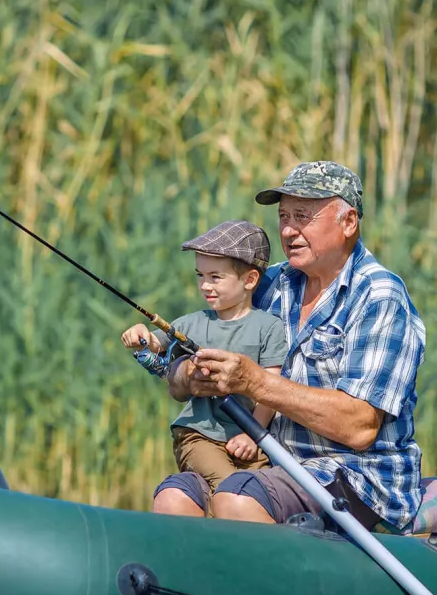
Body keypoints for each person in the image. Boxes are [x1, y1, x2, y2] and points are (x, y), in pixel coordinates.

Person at [166, 161, 426, 531]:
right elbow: (181, 363)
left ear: (348, 222)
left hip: (359, 477)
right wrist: (187, 376)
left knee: (238, 500)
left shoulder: (380, 297)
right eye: (283, 216)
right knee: (175, 498)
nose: (288, 230)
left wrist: (255, 382)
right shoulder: (268, 283)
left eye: (302, 216)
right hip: (265, 464)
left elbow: (360, 426)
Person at [121, 221, 287, 517]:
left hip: (249, 438)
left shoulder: (270, 328)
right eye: (200, 276)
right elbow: (156, 344)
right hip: (198, 436)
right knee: (231, 490)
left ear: (250, 280)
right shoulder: (191, 323)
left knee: (258, 492)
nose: (204, 286)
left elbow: (269, 390)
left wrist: (253, 436)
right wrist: (140, 336)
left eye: (215, 277)